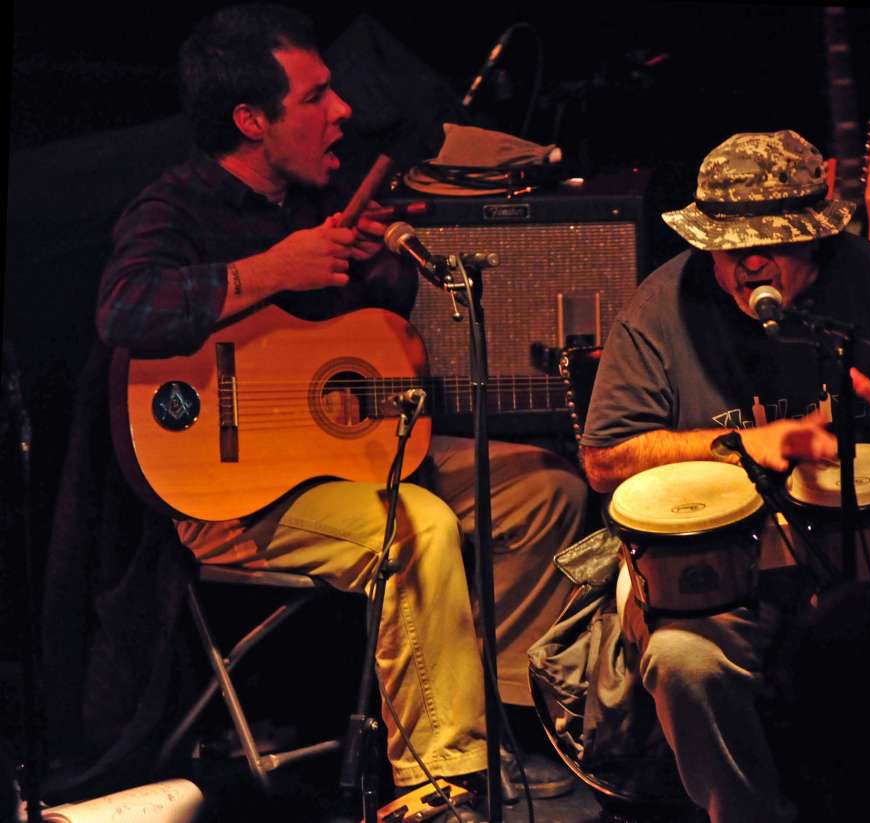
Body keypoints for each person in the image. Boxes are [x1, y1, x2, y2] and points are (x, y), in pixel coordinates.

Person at [94, 4, 584, 806]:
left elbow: (350, 344)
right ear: (251, 120)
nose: (343, 110)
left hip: (343, 459)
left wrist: (376, 268)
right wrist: (275, 269)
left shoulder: (312, 199)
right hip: (231, 494)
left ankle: (502, 726)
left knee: (545, 490)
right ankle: (441, 786)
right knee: (416, 526)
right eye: (316, 96)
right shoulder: (174, 208)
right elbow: (126, 310)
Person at [578, 130, 870, 822]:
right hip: (703, 567)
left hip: (861, 553)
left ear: (815, 239)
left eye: (772, 244)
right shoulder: (659, 306)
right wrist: (743, 444)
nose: (749, 263)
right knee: (686, 662)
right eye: (728, 248)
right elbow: (602, 460)